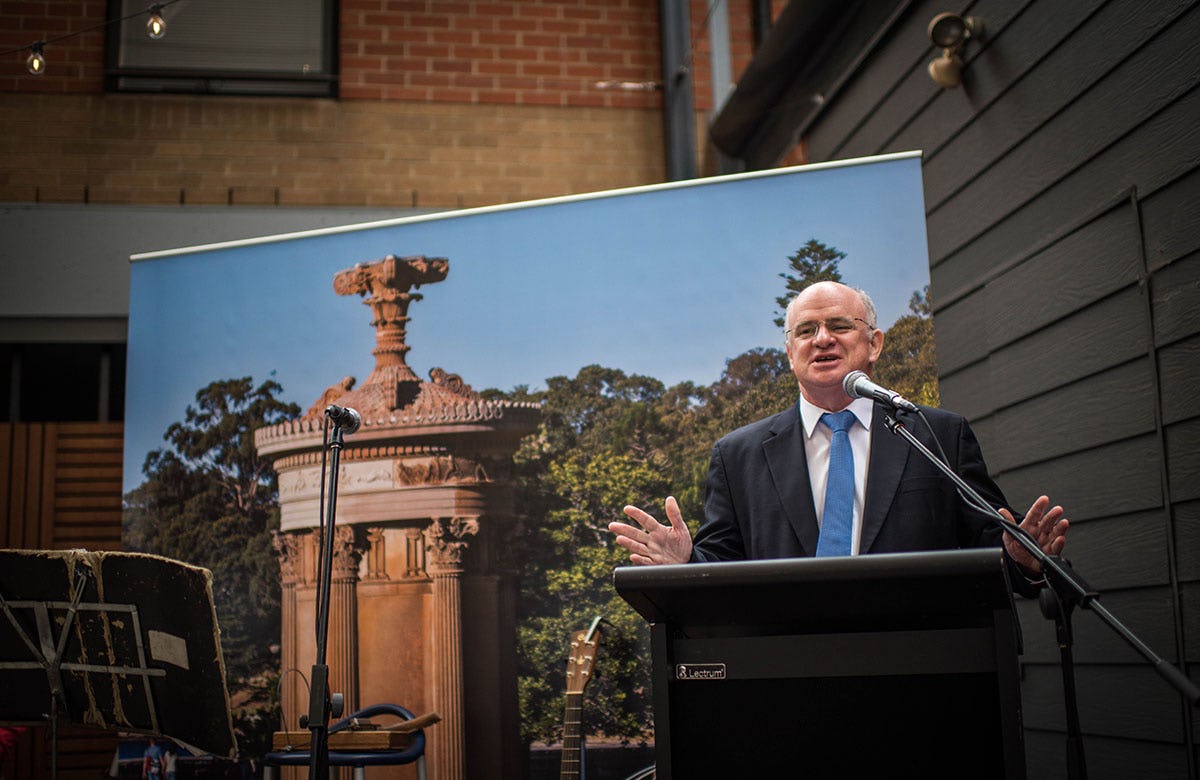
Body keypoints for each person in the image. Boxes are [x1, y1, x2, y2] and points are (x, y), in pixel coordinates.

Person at [610, 281, 1067, 583]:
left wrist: (1019, 557)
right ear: (790, 353)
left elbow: (989, 547)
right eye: (806, 330)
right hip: (788, 675)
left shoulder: (935, 434)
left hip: (926, 667)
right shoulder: (738, 456)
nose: (822, 338)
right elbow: (722, 568)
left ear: (874, 344)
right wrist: (685, 563)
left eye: (840, 326)